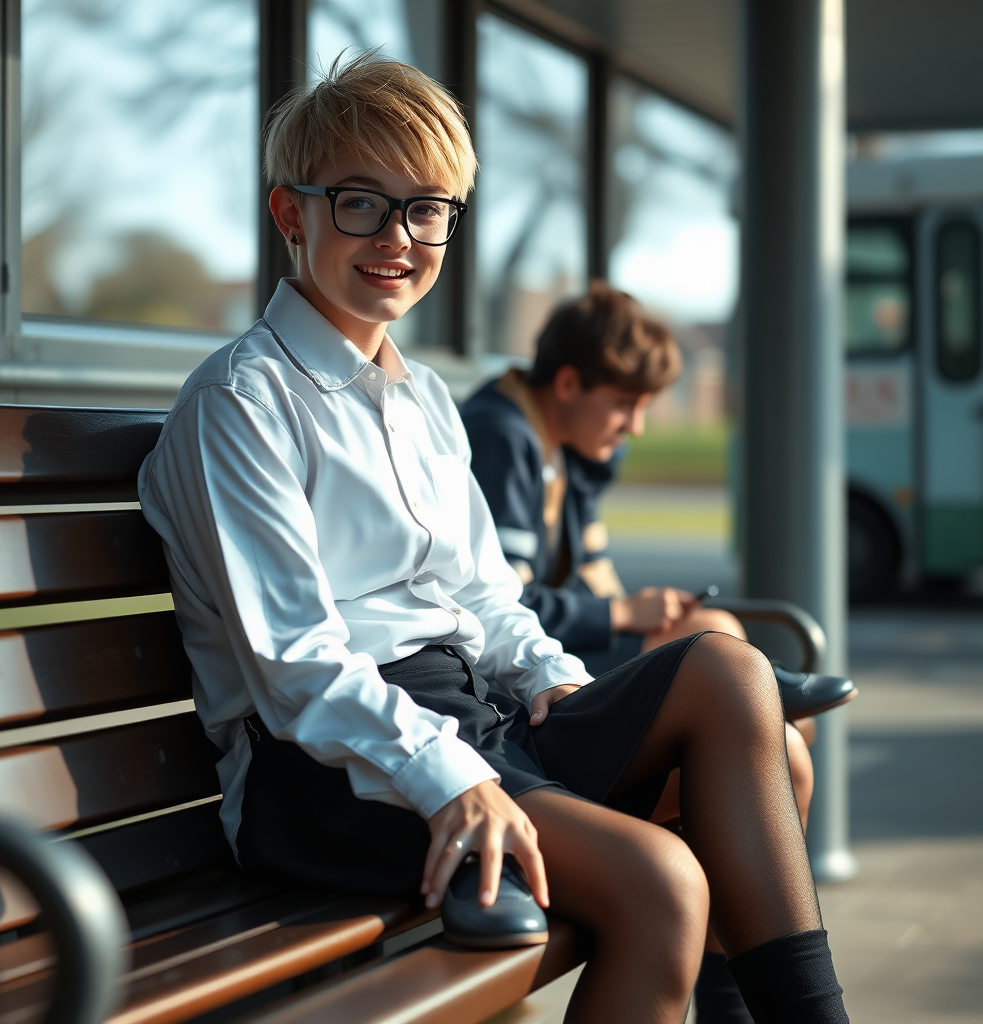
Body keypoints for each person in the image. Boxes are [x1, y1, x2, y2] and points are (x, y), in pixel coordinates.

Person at [138, 53, 849, 1024]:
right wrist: (452, 778)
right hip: (326, 773)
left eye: (427, 208)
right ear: (289, 215)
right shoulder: (243, 401)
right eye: (361, 203)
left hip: (474, 719)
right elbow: (297, 666)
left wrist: (553, 678)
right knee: (665, 883)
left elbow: (484, 596)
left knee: (729, 673)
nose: (398, 236)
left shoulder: (422, 397)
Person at [462, 283, 854, 1021]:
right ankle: (757, 692)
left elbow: (580, 576)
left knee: (760, 713)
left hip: (545, 675)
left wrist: (641, 609)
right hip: (513, 703)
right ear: (569, 384)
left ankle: (755, 697)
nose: (636, 425)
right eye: (625, 405)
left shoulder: (564, 449)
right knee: (731, 675)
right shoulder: (502, 435)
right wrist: (622, 613)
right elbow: (500, 605)